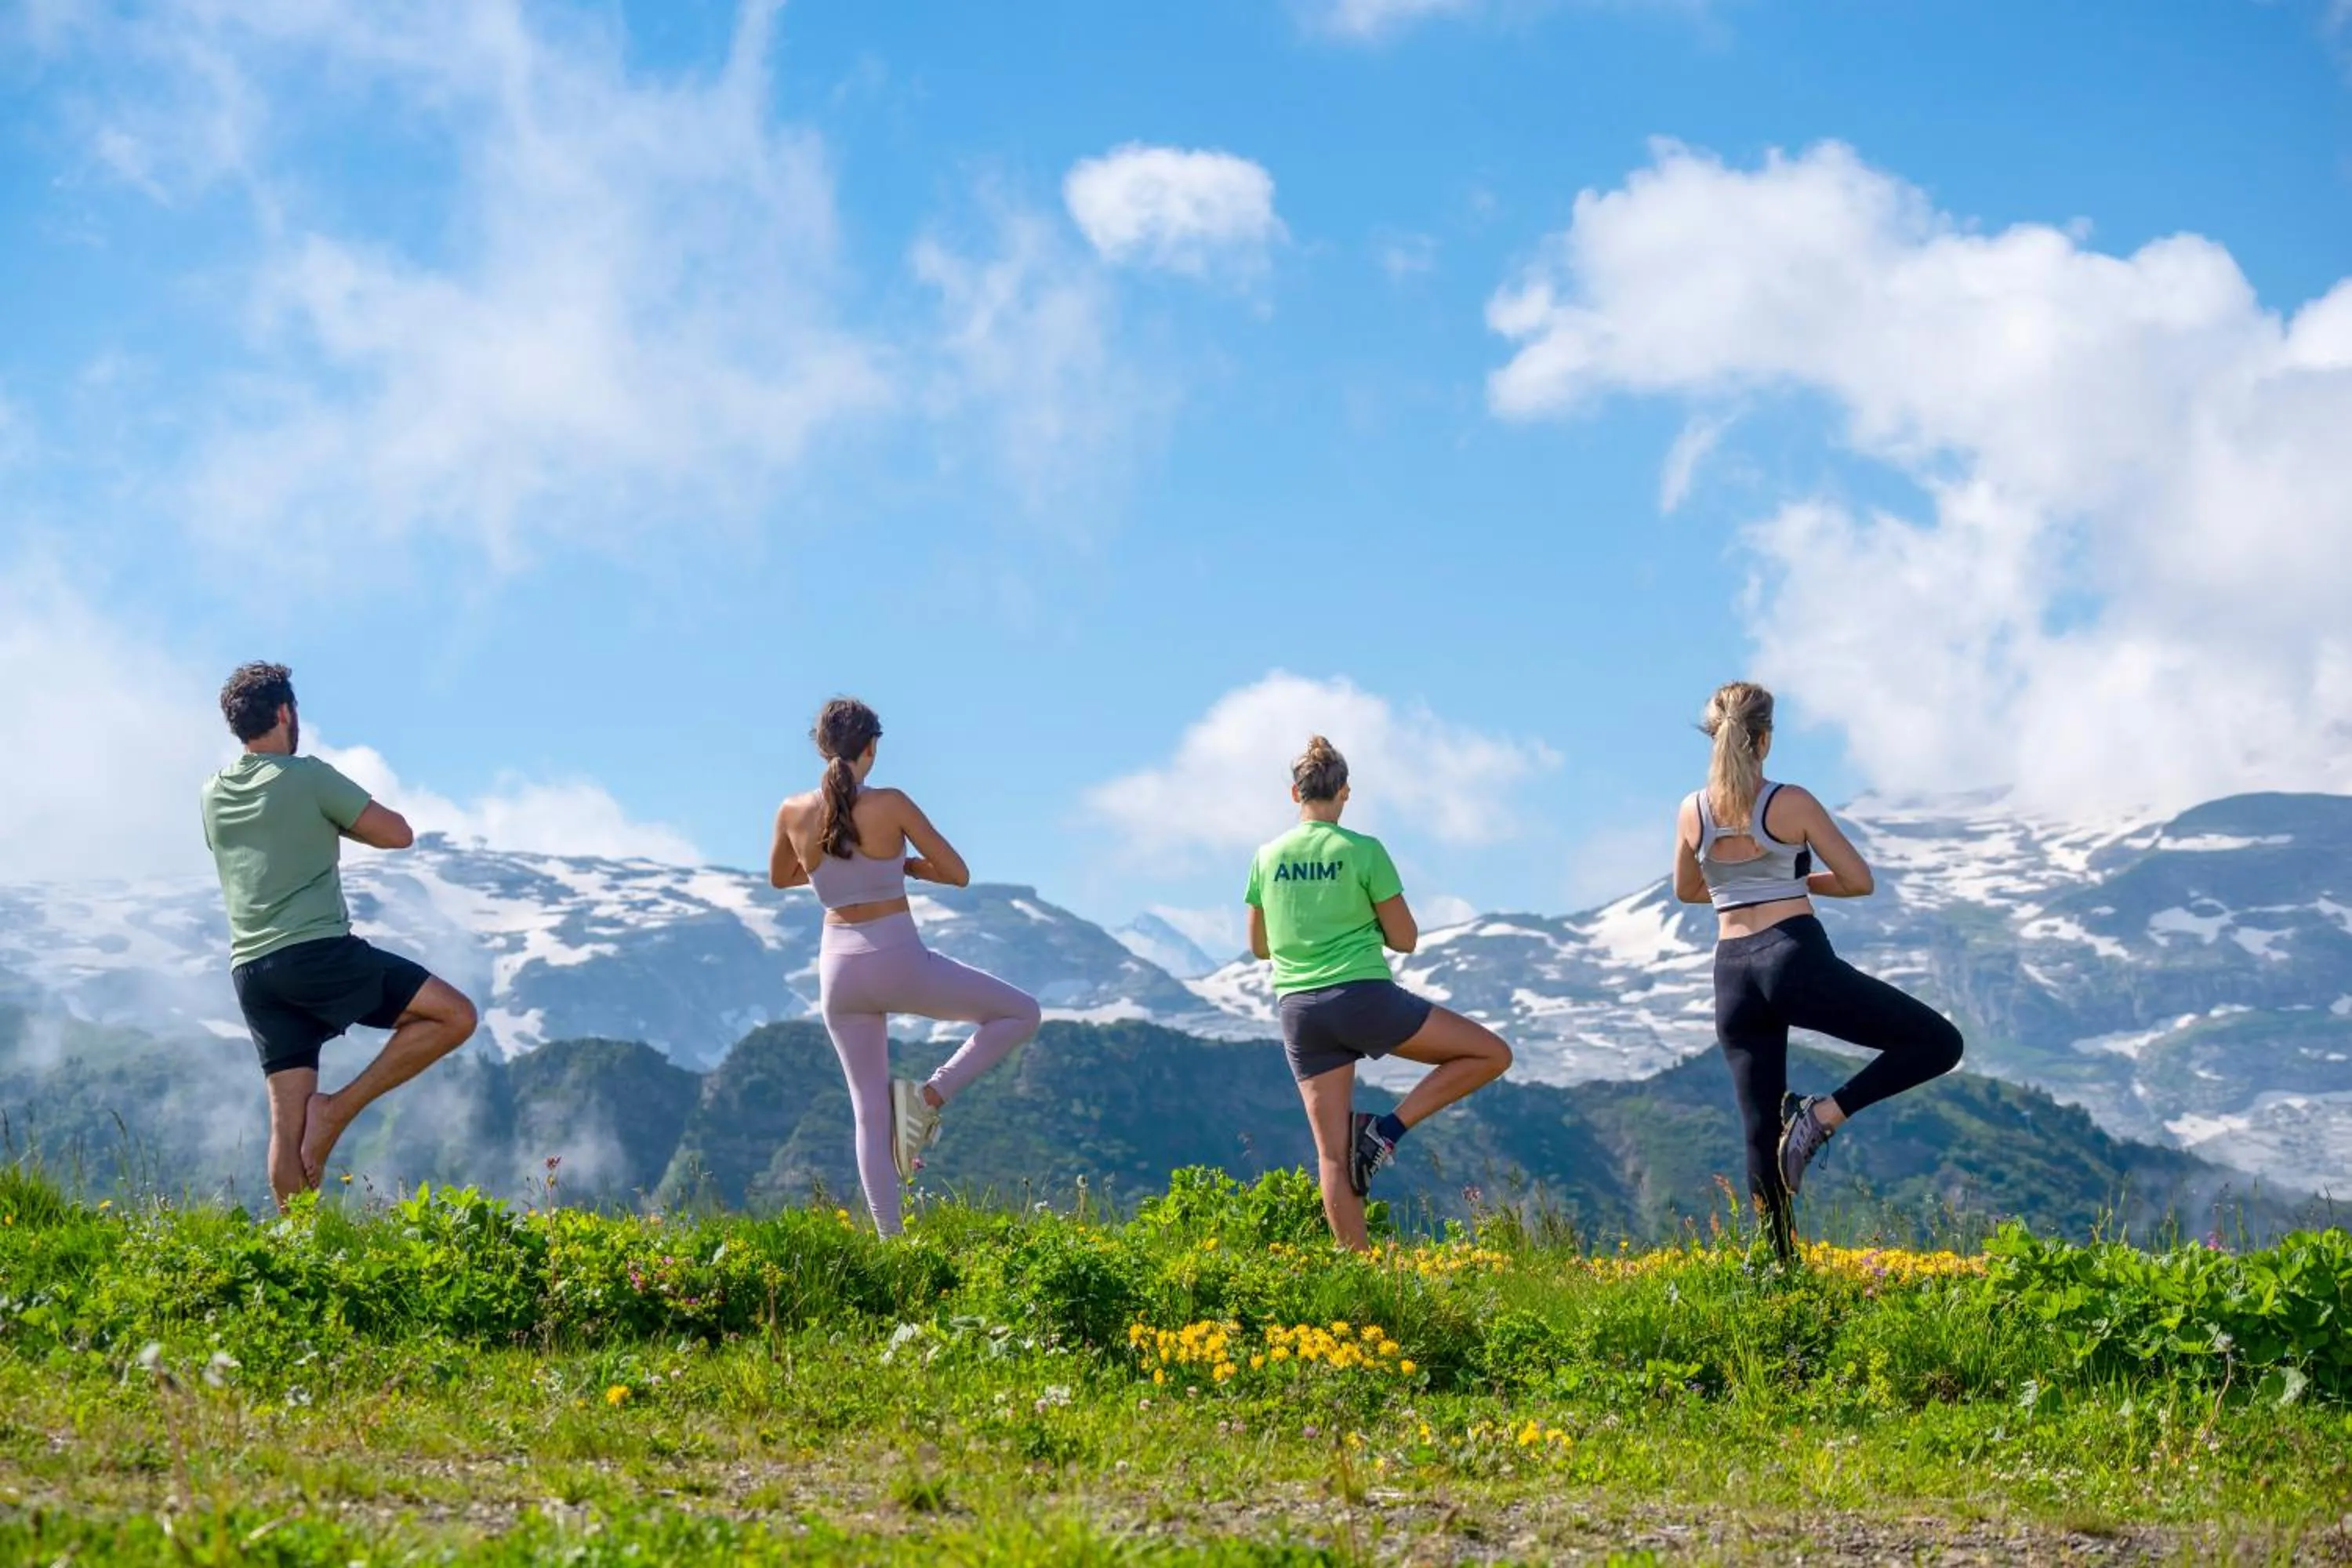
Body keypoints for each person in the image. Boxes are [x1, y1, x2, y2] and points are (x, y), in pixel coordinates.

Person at [1672, 681, 1964, 1258]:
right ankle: (1824, 1114)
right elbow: (1859, 881)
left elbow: (1688, 890)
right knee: (1937, 1042)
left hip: (1731, 973)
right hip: (1792, 956)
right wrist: (1792, 881)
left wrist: (1743, 884)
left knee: (1759, 1129)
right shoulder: (1791, 802)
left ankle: (1779, 1275)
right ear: (1766, 738)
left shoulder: (1692, 810)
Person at [201, 663, 478, 1210]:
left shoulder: (213, 794)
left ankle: (296, 1249)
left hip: (253, 973)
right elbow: (397, 835)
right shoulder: (307, 777)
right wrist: (332, 818)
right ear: (285, 712)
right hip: (316, 952)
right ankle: (339, 1110)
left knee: (286, 1122)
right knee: (455, 1016)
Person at [768, 698, 1040, 1236]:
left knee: (868, 1113)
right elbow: (957, 872)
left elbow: (783, 877)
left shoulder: (792, 811)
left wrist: (834, 869)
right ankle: (928, 1097)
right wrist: (904, 866)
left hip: (838, 974)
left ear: (821, 748)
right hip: (897, 960)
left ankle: (892, 1243)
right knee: (1020, 1013)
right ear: (871, 748)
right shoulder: (890, 804)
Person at [1246, 735, 1511, 1250]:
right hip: (1362, 996)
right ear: (1345, 792)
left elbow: (1259, 946)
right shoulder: (1363, 851)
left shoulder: (1266, 857)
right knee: (1490, 1054)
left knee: (1331, 1154)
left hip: (1299, 1010)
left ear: (1293, 794)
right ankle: (1385, 1132)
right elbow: (1405, 939)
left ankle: (1359, 1275)